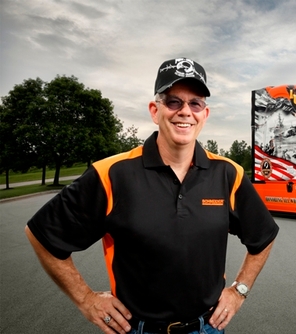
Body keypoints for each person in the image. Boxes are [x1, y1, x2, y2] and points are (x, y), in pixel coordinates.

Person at [25, 57, 279, 334]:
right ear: (154, 110)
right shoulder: (111, 173)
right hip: (137, 329)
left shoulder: (228, 174)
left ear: (204, 114)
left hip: (207, 327)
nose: (185, 112)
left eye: (195, 103)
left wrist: (239, 291)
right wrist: (86, 299)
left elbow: (263, 236)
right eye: (173, 101)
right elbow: (41, 234)